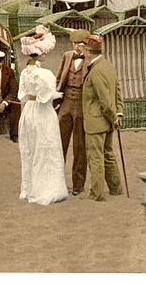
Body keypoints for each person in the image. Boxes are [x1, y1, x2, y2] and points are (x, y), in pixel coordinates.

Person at [17, 25, 68, 205]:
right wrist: (58, 95)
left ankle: (30, 189)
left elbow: (22, 95)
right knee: (46, 148)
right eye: (45, 51)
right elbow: (46, 96)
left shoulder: (25, 72)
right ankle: (46, 189)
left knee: (31, 149)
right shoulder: (44, 73)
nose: (47, 54)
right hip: (42, 112)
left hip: (29, 110)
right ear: (39, 53)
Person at [80, 33, 124, 202]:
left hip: (97, 121)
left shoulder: (96, 71)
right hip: (107, 121)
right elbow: (117, 91)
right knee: (108, 154)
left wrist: (113, 116)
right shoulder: (107, 65)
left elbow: (105, 100)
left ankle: (97, 194)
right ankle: (116, 189)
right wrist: (118, 114)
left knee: (96, 157)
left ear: (88, 50)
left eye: (83, 47)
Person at [55, 29, 91, 196]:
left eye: (81, 44)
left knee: (79, 146)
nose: (78, 47)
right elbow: (59, 78)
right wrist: (56, 98)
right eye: (75, 44)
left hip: (82, 105)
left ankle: (78, 184)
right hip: (66, 103)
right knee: (58, 144)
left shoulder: (92, 60)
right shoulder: (67, 56)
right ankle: (56, 181)